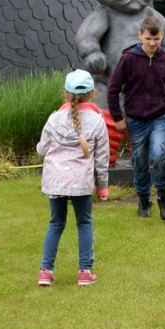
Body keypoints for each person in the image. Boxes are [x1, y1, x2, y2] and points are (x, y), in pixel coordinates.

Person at [107, 15, 165, 220]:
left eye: (156, 39)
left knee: (160, 155)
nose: (152, 43)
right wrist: (118, 117)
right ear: (140, 35)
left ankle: (163, 198)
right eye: (148, 39)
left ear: (162, 37)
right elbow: (113, 89)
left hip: (159, 117)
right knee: (139, 161)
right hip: (135, 120)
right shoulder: (128, 59)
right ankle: (143, 199)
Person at [37, 69, 109, 287]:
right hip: (81, 182)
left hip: (55, 181)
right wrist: (103, 186)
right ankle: (85, 272)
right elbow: (102, 158)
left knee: (56, 223)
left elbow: (42, 149)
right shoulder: (97, 121)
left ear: (65, 94)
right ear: (93, 94)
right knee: (84, 223)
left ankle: (45, 272)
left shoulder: (54, 118)